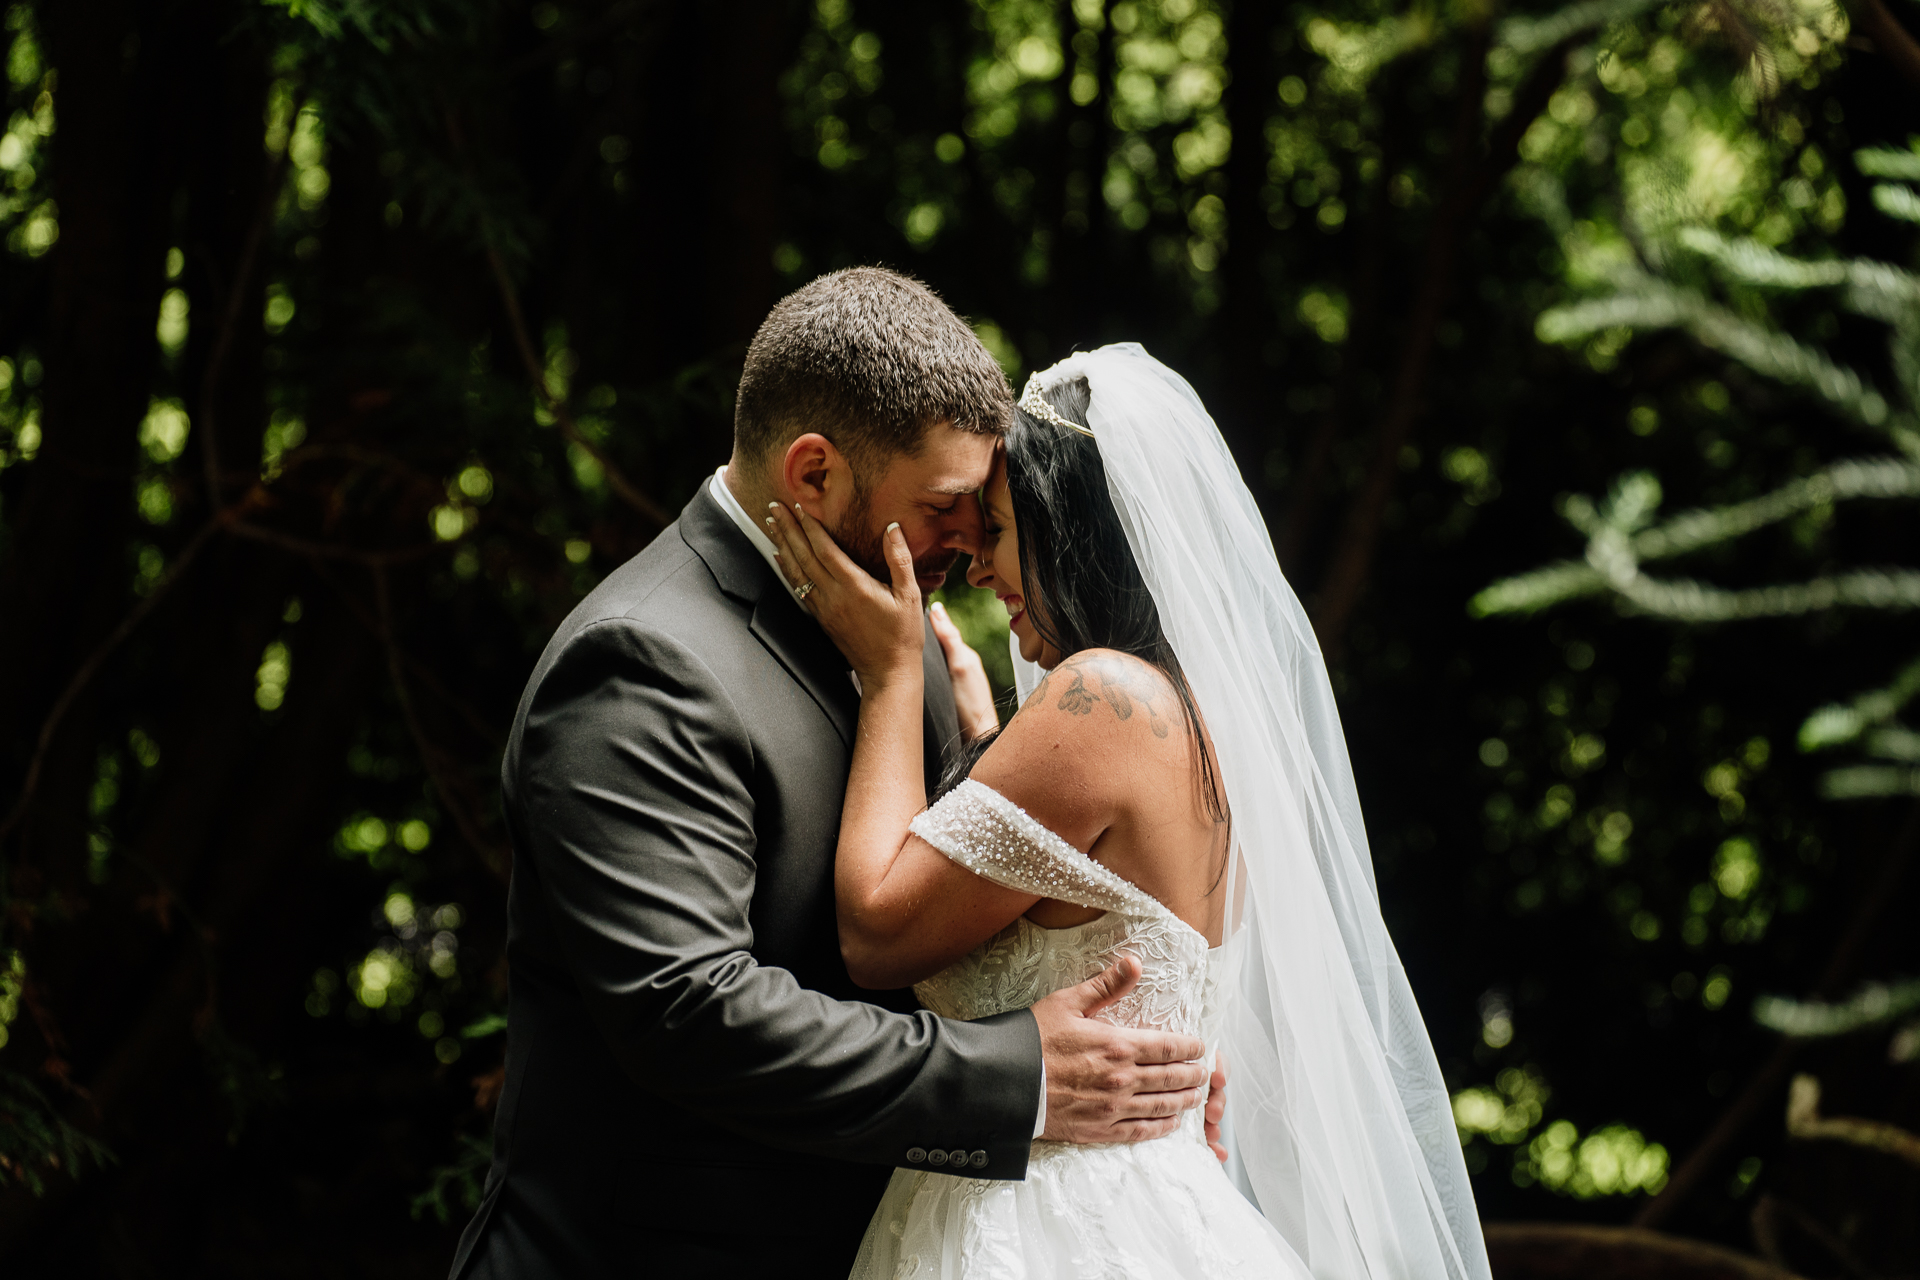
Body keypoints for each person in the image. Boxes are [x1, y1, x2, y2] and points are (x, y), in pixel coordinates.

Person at [449, 275, 1214, 1280]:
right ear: (814, 473)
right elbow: (691, 1009)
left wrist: (1154, 1039)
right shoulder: (641, 661)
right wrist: (1023, 1074)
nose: (972, 544)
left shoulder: (899, 635)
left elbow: (961, 895)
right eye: (947, 505)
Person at [764, 343, 1493, 1279]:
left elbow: (875, 928)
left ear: (1077, 528)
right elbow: (1076, 887)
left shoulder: (1101, 699)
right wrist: (986, 727)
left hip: (1048, 1227)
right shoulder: (1191, 716)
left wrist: (890, 673)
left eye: (995, 528)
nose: (977, 566)